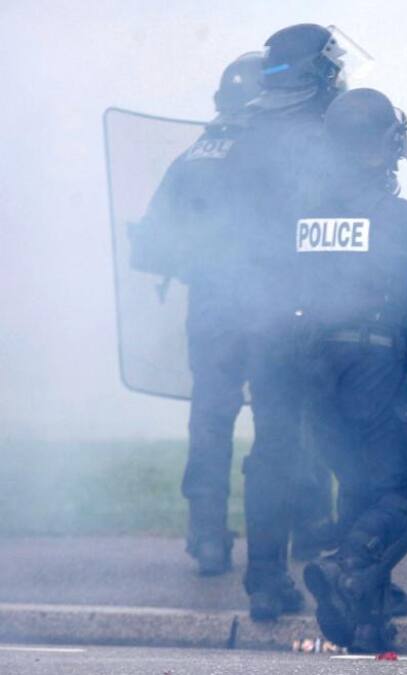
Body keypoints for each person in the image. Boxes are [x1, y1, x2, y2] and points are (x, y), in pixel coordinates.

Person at [292, 88, 407, 653]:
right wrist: (406, 284)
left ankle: (363, 624)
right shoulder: (391, 217)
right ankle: (346, 566)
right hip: (373, 368)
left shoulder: (303, 216)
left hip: (312, 375)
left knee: (360, 490)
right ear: (383, 149)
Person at [222, 23, 349, 621]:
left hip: (261, 314)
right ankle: (354, 578)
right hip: (318, 316)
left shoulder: (245, 132)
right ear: (316, 76)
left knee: (274, 448)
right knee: (342, 442)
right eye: (332, 67)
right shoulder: (324, 137)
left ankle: (268, 579)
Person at [130, 52, 264, 577]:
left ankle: (208, 538)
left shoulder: (192, 156)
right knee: (284, 424)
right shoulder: (272, 150)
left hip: (210, 311)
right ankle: (295, 537)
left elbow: (149, 246)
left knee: (209, 423)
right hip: (269, 308)